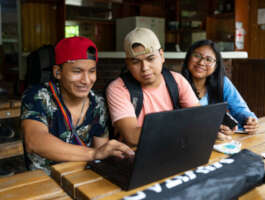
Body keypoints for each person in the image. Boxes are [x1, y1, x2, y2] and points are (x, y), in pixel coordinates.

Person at [21, 36, 134, 174]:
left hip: (80, 179)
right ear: (58, 72)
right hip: (44, 183)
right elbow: (34, 141)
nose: (86, 80)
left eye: (92, 71)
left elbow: (102, 152)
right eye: (77, 71)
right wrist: (93, 154)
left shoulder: (97, 103)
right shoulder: (38, 96)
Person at [106, 28, 199, 147]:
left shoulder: (177, 80)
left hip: (172, 148)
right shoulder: (118, 88)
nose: (145, 68)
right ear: (127, 63)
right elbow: (133, 137)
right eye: (135, 62)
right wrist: (183, 123)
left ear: (162, 56)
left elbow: (199, 118)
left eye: (150, 59)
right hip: (136, 155)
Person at [181, 39, 258, 139]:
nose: (201, 62)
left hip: (221, 143)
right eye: (197, 56)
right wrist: (211, 130)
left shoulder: (222, 83)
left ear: (216, 65)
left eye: (208, 59)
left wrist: (250, 119)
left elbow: (239, 109)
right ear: (188, 57)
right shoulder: (178, 82)